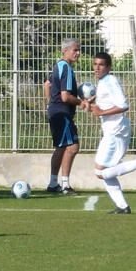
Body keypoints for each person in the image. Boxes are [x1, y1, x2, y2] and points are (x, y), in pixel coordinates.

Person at [85, 52, 136, 213]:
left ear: (108, 67)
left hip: (115, 131)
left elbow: (123, 105)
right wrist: (91, 100)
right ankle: (123, 206)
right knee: (108, 171)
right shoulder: (104, 81)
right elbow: (107, 97)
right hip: (113, 130)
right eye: (95, 64)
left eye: (101, 65)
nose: (97, 68)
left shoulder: (110, 81)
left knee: (100, 172)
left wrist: (100, 113)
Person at [44, 38, 86, 195]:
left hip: (56, 112)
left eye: (78, 50)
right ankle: (65, 185)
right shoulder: (66, 68)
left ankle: (53, 183)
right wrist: (81, 102)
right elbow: (65, 96)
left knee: (61, 148)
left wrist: (50, 104)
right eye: (75, 50)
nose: (78, 53)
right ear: (65, 50)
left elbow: (47, 84)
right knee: (73, 147)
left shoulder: (58, 66)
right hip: (62, 113)